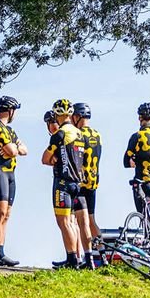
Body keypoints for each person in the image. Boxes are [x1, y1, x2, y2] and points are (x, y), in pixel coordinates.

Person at [42, 100, 89, 269]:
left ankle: (71, 259)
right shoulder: (80, 133)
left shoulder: (60, 134)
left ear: (57, 115)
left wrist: (54, 159)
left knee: (64, 222)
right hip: (78, 182)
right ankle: (76, 256)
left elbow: (45, 159)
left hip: (62, 182)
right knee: (72, 221)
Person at [0, 95, 26, 266]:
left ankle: (1, 251)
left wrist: (14, 148)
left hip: (10, 173)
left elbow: (24, 149)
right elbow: (13, 150)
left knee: (6, 214)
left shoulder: (10, 130)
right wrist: (13, 148)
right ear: (10, 110)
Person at [71, 102, 102, 261]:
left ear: (77, 117)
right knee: (91, 219)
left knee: (77, 221)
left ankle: (79, 255)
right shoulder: (97, 134)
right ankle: (102, 253)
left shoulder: (77, 134)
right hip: (93, 180)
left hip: (80, 182)